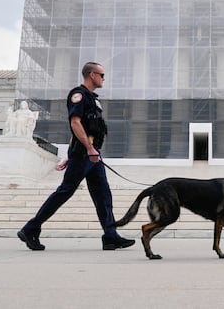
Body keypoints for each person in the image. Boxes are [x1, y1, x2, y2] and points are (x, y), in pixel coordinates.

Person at [17, 62, 135, 251]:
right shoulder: (78, 95)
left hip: (92, 154)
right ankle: (31, 228)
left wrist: (79, 153)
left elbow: (86, 129)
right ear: (91, 75)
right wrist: (84, 150)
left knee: (103, 195)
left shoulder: (93, 99)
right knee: (65, 192)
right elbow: (75, 123)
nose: (104, 78)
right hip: (86, 154)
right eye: (102, 74)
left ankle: (110, 236)